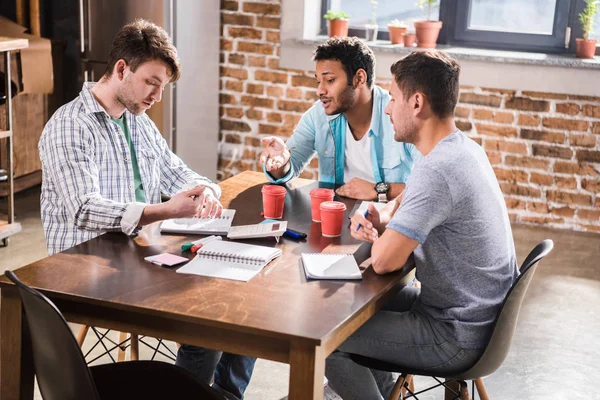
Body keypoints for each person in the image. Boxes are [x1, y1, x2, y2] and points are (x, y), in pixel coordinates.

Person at [38, 19, 255, 400]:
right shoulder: (70, 126)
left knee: (239, 297)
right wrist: (165, 210)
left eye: (163, 87)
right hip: (85, 267)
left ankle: (222, 395)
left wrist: (204, 189)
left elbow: (176, 172)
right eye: (151, 83)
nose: (157, 96)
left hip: (138, 254)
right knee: (210, 322)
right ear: (121, 69)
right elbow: (83, 208)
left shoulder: (138, 122)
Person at [324, 50, 519, 400]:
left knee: (328, 337)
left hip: (455, 333)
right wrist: (381, 220)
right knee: (365, 306)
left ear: (416, 103)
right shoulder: (462, 149)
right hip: (479, 319)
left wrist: (384, 238)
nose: (386, 109)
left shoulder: (438, 170)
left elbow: (384, 262)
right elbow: (399, 209)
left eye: (393, 99)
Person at [259, 37, 421, 202]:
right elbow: (288, 168)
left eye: (330, 80)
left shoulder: (400, 115)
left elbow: (432, 187)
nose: (320, 91)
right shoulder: (318, 115)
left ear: (359, 78)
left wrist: (378, 190)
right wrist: (280, 163)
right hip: (337, 217)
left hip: (388, 220)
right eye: (318, 81)